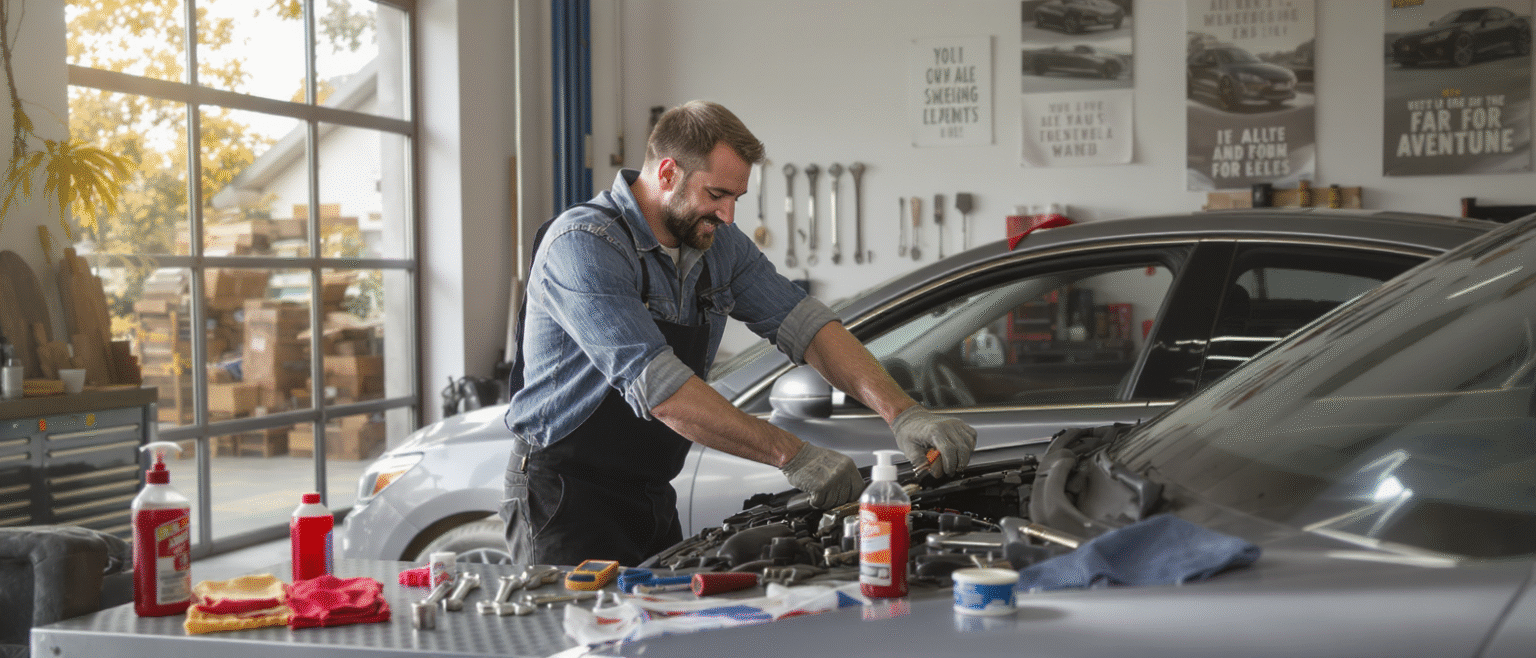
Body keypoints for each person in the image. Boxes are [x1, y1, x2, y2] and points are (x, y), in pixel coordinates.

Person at [501, 100, 977, 567]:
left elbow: (807, 327)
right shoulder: (585, 245)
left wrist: (904, 413)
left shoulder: (718, 246)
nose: (729, 215)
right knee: (577, 646)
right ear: (666, 174)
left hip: (649, 490)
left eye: (736, 198)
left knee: (658, 640)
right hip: (563, 496)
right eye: (716, 195)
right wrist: (793, 453)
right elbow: (661, 390)